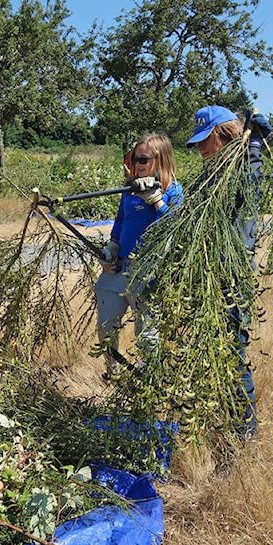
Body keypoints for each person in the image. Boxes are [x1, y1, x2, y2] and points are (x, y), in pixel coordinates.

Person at [185, 105, 271, 440]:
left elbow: (250, 185)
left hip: (231, 279)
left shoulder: (241, 173)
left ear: (225, 135)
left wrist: (254, 145)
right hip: (208, 274)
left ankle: (243, 436)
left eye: (206, 140)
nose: (201, 148)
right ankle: (223, 422)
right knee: (211, 353)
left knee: (233, 356)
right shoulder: (210, 177)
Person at [96, 133, 183, 380]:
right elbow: (121, 220)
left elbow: (177, 226)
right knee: (105, 329)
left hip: (149, 270)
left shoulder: (174, 190)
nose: (138, 165)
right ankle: (113, 376)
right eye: (135, 159)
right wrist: (111, 247)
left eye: (144, 159)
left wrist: (157, 201)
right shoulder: (129, 190)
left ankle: (149, 383)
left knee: (147, 334)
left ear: (160, 159)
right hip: (119, 268)